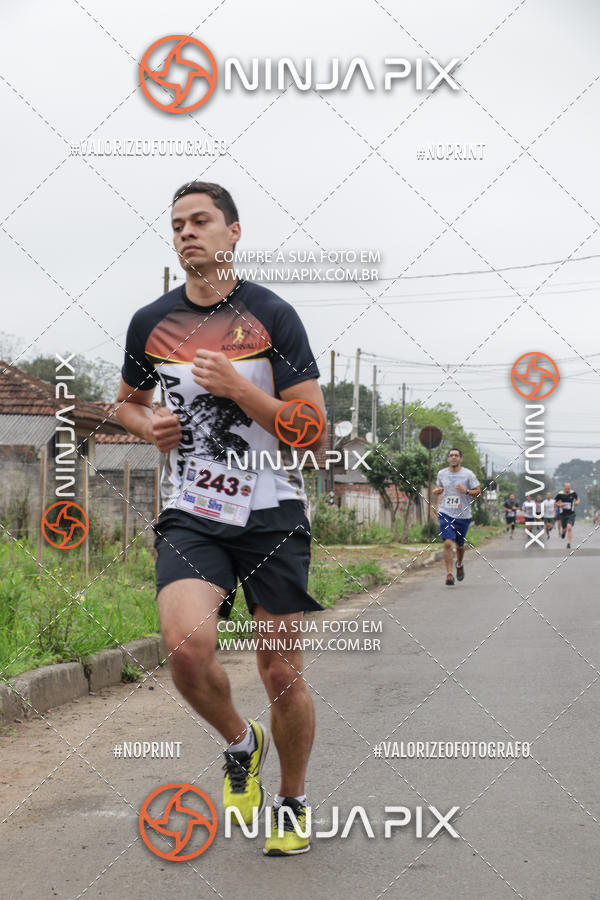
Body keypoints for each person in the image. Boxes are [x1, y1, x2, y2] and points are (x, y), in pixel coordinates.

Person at [115, 181, 327, 856]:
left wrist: (240, 389)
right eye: (176, 224)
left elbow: (313, 433)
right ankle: (242, 743)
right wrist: (151, 422)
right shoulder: (152, 321)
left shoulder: (272, 316)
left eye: (200, 221)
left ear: (233, 233)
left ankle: (291, 803)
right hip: (194, 512)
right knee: (184, 648)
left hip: (272, 511)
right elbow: (124, 402)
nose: (186, 232)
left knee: (280, 671)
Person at [432, 448, 481, 586]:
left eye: (456, 455)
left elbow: (478, 492)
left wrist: (465, 491)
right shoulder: (442, 473)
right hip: (446, 513)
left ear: (461, 459)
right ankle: (449, 574)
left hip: (463, 515)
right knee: (447, 543)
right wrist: (436, 491)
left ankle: (459, 564)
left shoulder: (468, 474)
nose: (453, 457)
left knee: (460, 546)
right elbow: (438, 488)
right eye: (451, 455)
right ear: (448, 459)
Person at [555, 482, 580, 549]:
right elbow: (555, 502)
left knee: (569, 527)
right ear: (564, 487)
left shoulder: (573, 493)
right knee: (564, 529)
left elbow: (578, 499)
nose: (568, 489)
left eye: (569, 488)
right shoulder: (560, 494)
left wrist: (577, 502)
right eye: (566, 488)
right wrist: (560, 505)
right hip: (563, 514)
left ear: (570, 487)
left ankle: (568, 543)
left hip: (571, 513)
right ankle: (563, 533)